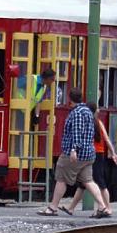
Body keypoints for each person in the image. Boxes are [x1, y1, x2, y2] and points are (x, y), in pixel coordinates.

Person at [37, 87, 109, 218]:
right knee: (88, 181)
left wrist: (73, 149)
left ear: (70, 100)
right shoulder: (88, 111)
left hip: (76, 153)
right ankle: (102, 206)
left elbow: (77, 132)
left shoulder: (77, 113)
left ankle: (53, 207)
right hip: (89, 153)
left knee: (61, 178)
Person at [61, 103, 117, 217]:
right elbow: (107, 139)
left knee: (98, 181)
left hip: (93, 154)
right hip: (99, 154)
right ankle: (71, 208)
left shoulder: (88, 122)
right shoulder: (99, 122)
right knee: (84, 183)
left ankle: (107, 208)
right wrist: (113, 153)